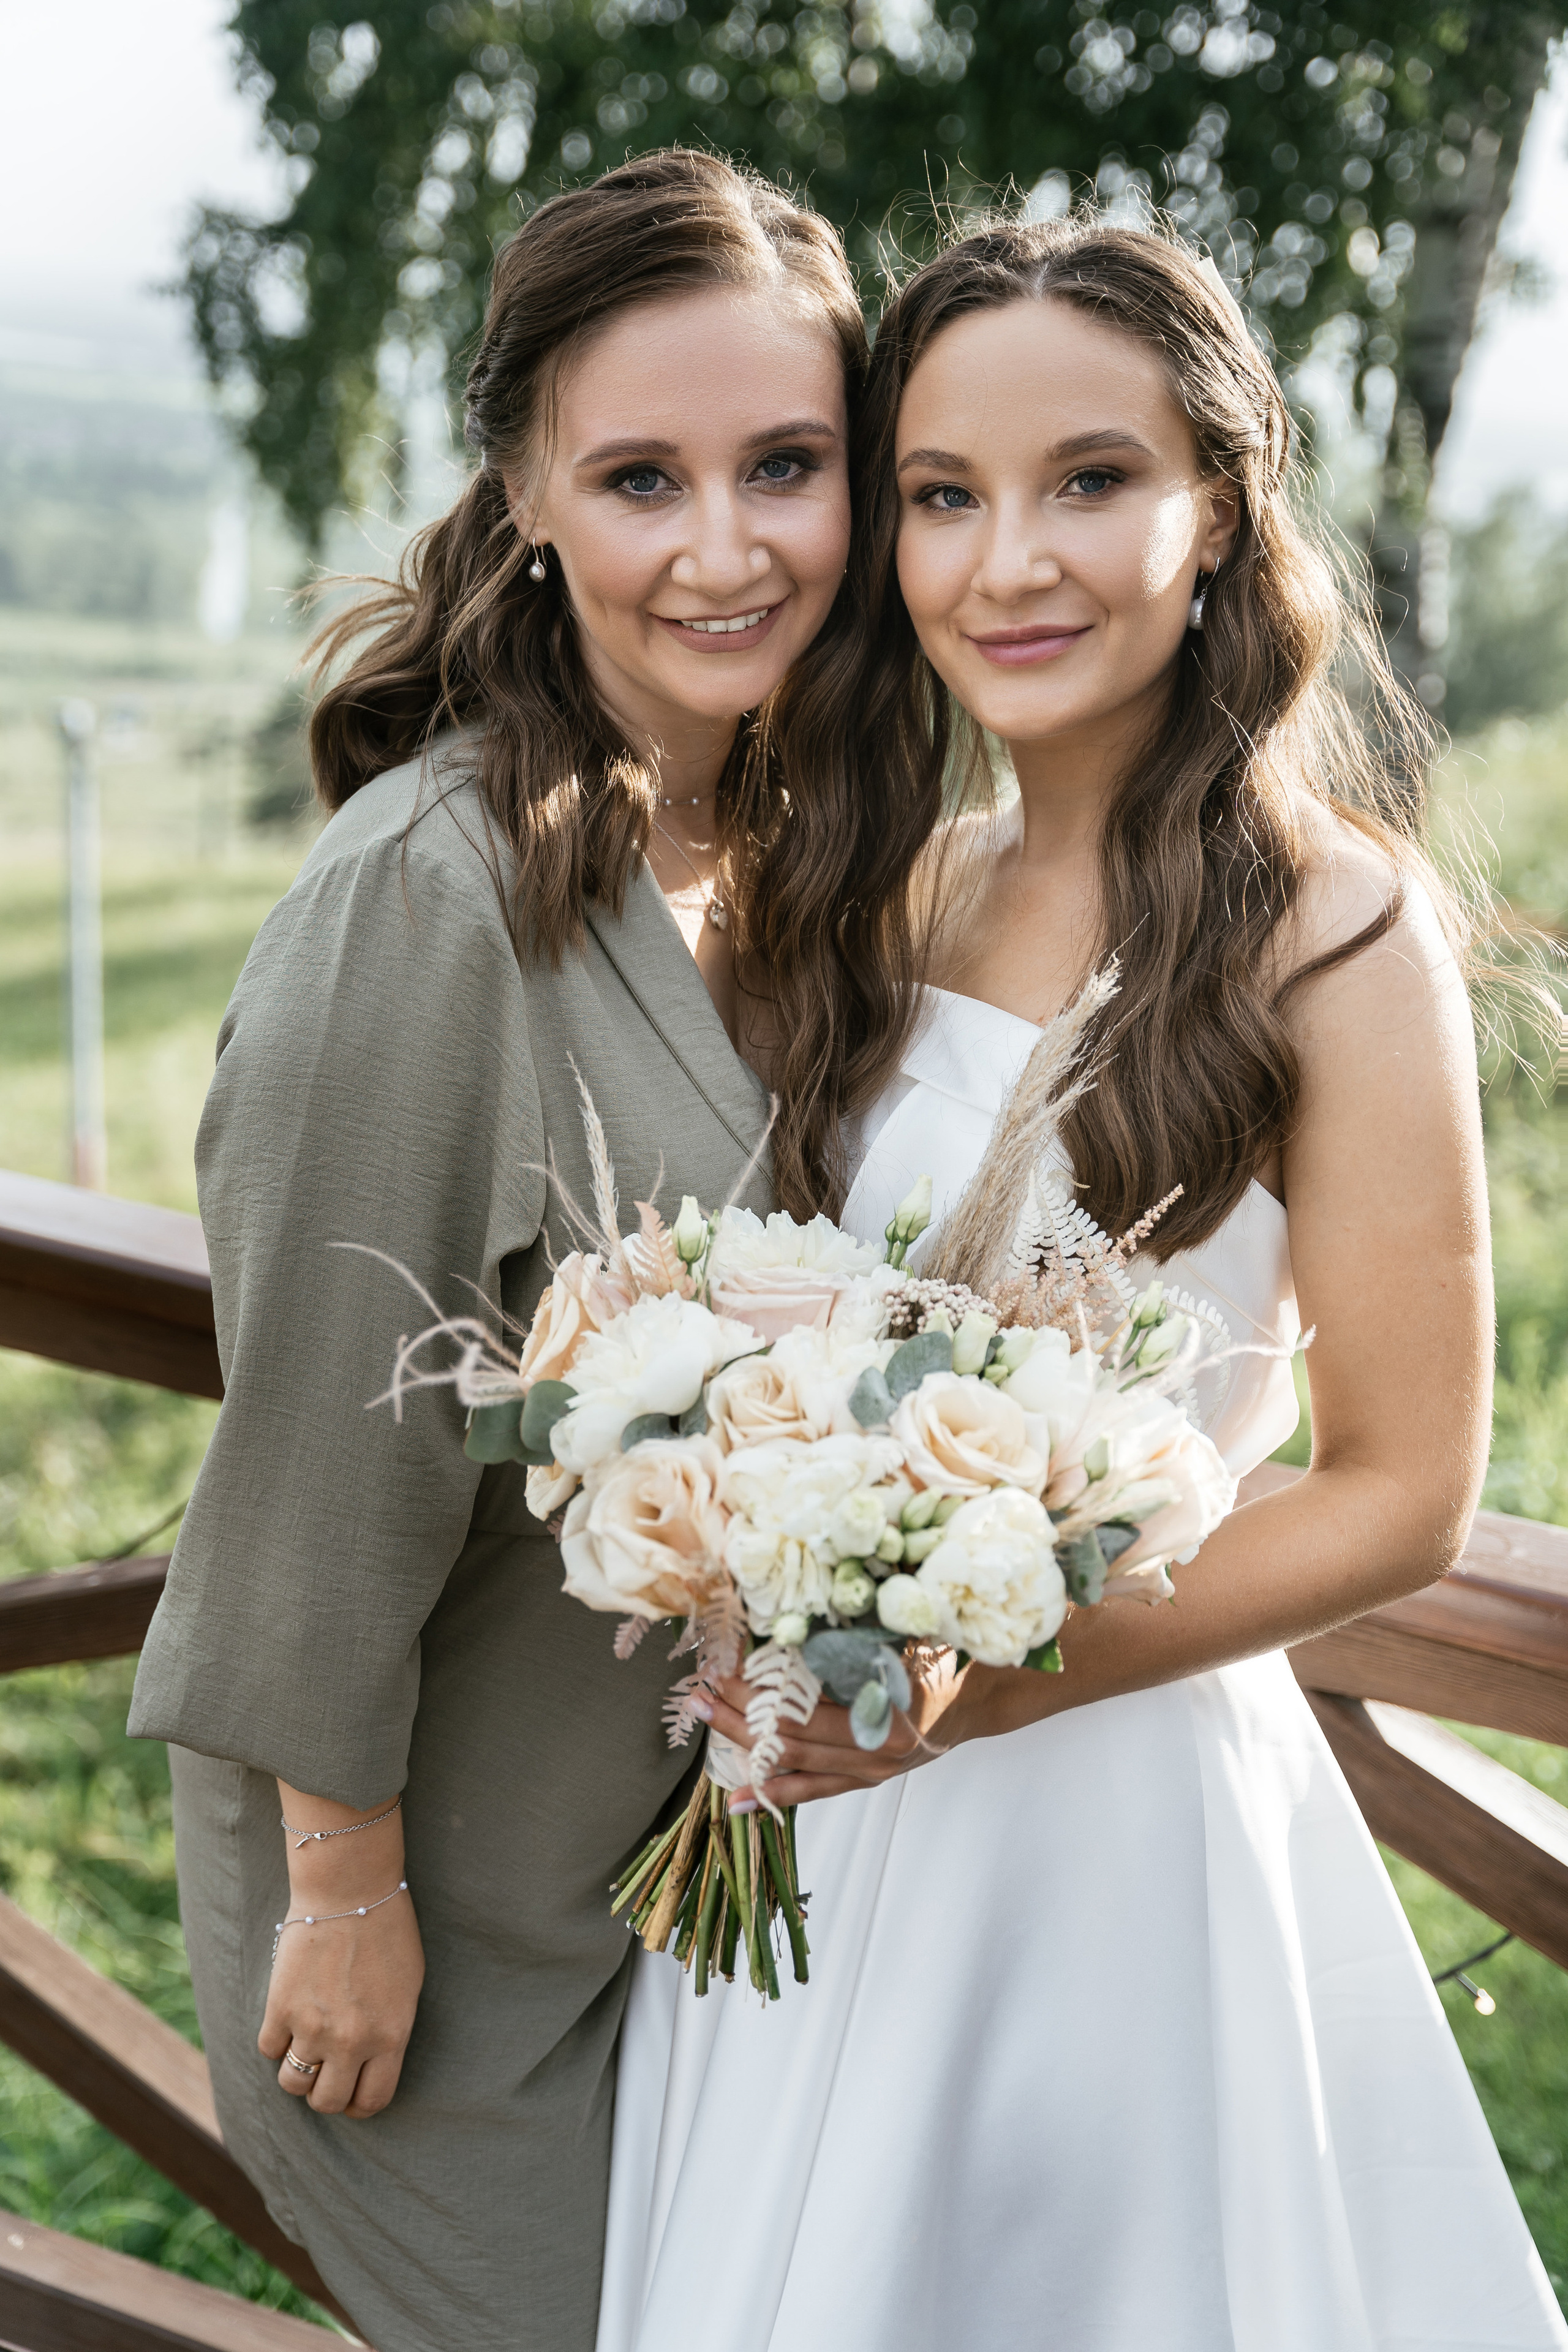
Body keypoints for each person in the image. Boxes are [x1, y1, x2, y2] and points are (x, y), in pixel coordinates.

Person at [598, 214, 1568, 2351]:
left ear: (1219, 508)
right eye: (943, 496)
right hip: (809, 1818)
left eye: (1091, 482)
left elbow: (1401, 1488)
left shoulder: (1335, 930)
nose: (1007, 561)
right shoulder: (884, 893)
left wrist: (970, 1677)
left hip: (1099, 1831)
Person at [128, 150, 945, 2352]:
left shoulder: (791, 858)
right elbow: (316, 1454)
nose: (724, 546)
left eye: (787, 466)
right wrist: (345, 1891)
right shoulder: (427, 903)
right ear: (524, 492)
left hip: (690, 1891)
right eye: (640, 475)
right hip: (435, 1921)